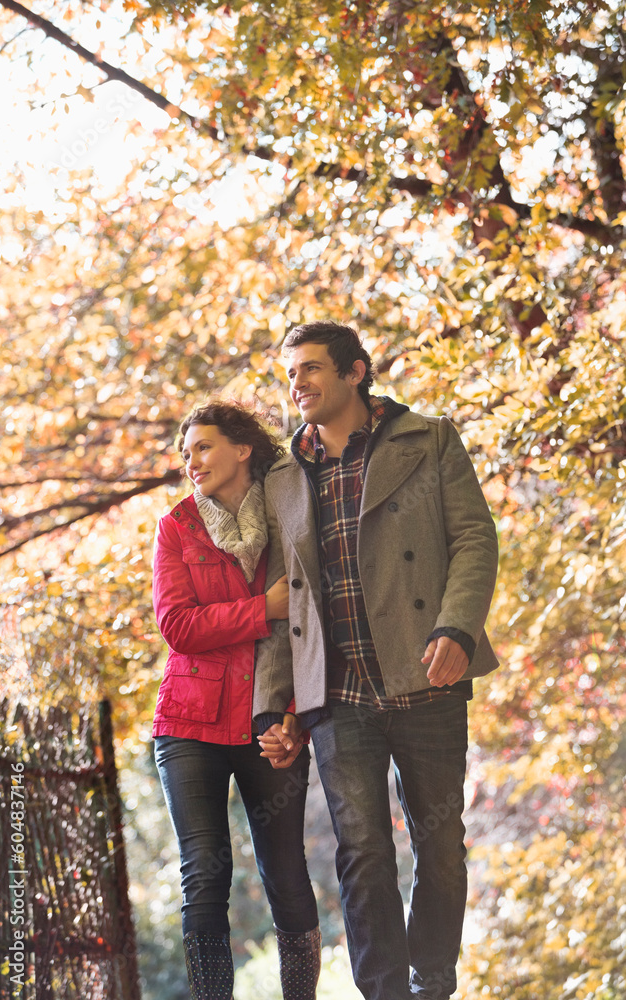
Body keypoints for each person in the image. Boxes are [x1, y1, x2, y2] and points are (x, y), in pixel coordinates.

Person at [253, 322, 499, 1000]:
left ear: (355, 371)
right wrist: (275, 705)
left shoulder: (430, 438)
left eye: (310, 369)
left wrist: (458, 629)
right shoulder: (281, 478)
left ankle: (433, 979)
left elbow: (475, 538)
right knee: (363, 855)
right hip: (338, 695)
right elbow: (283, 598)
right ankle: (386, 992)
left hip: (428, 673)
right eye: (290, 374)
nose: (297, 384)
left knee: (441, 846)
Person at [151, 399, 321, 1000]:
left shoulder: (289, 519)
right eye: (186, 453)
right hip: (189, 722)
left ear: (242, 448)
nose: (191, 461)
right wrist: (261, 609)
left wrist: (296, 718)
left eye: (203, 447)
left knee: (286, 870)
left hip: (268, 718)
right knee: (206, 869)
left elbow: (310, 631)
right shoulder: (177, 527)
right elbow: (179, 627)